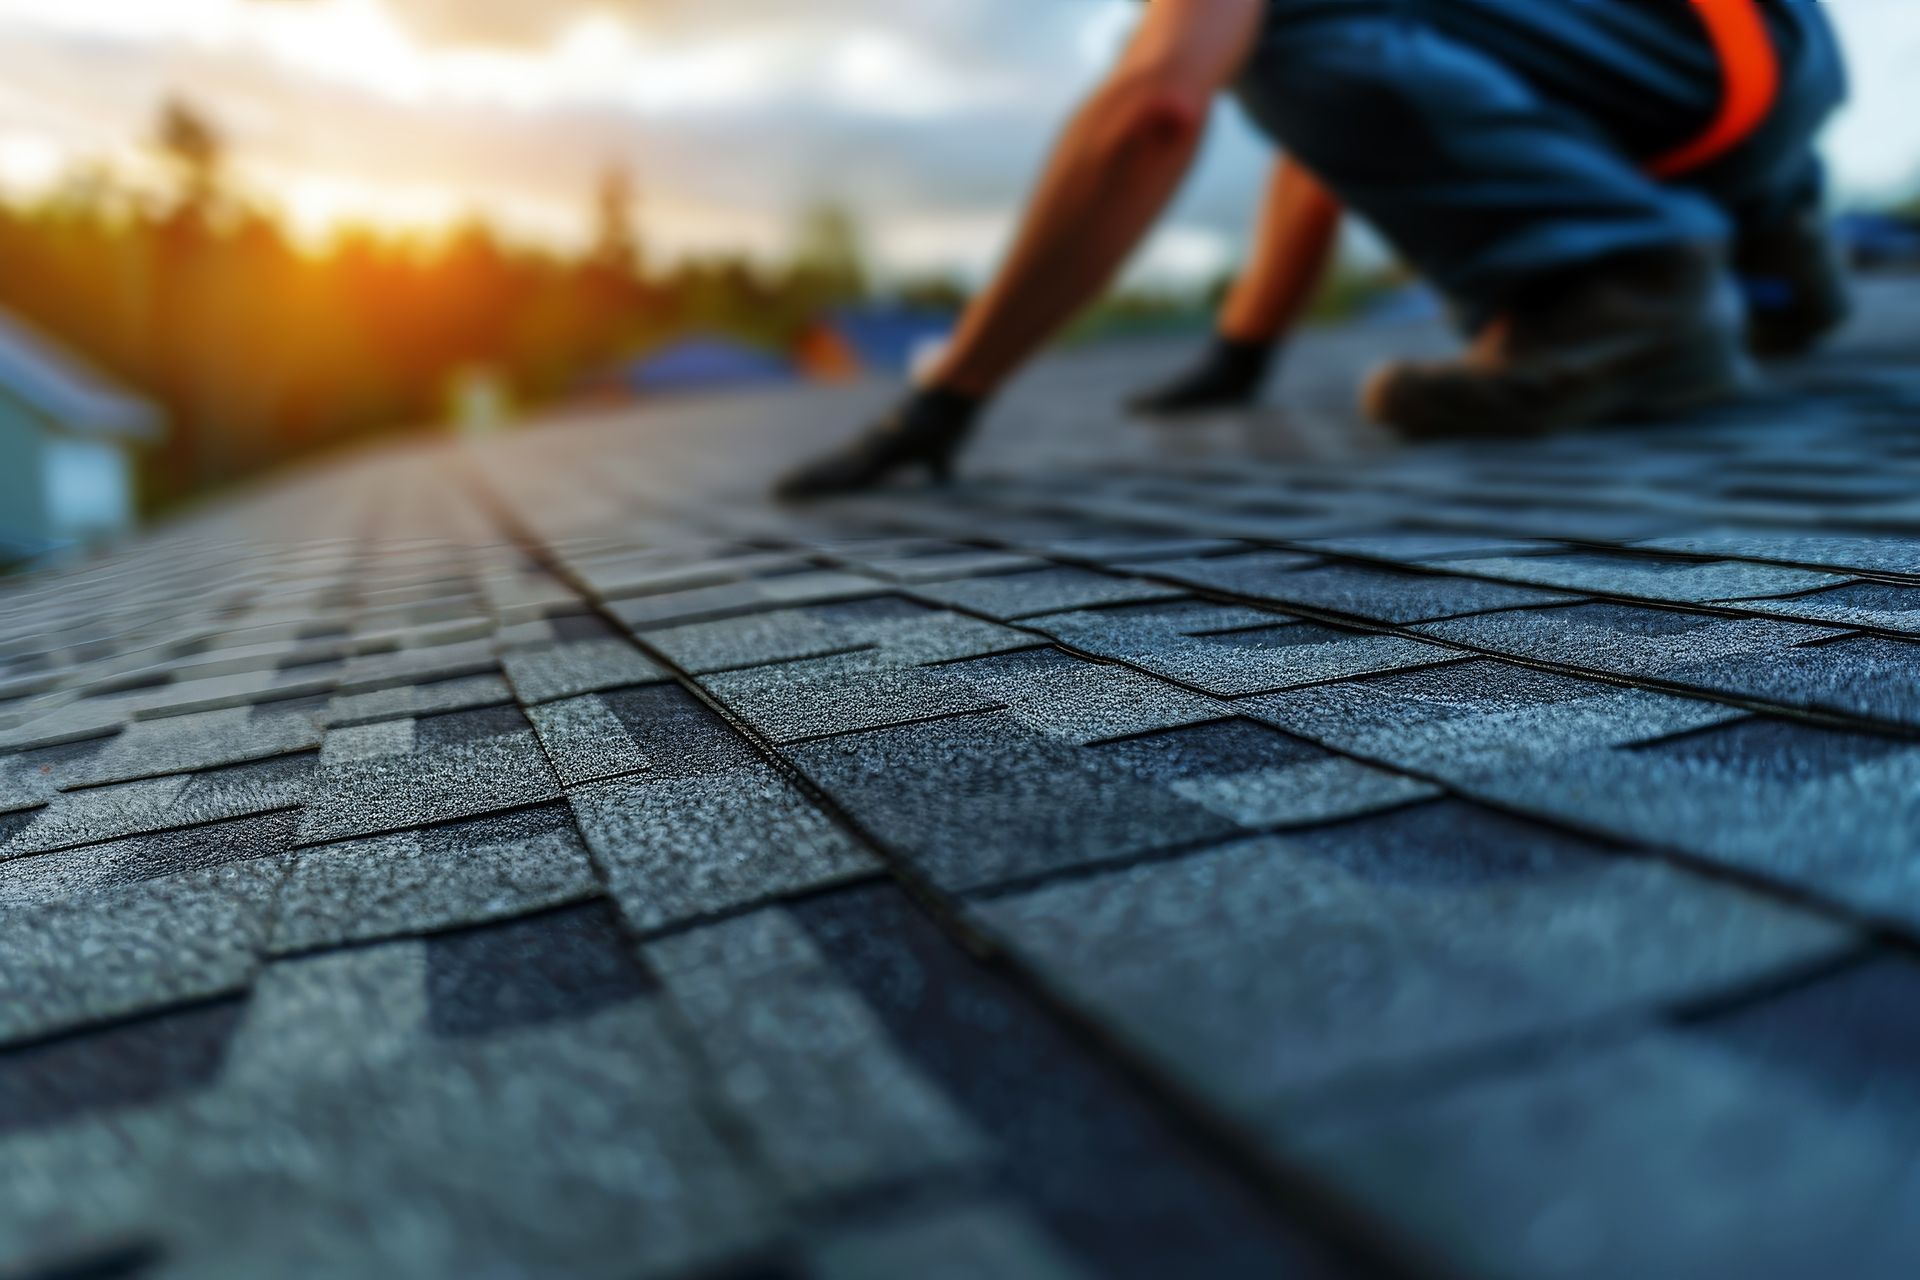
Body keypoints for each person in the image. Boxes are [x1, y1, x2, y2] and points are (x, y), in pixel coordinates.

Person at [776, 0, 1849, 500]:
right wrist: (1240, 355)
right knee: (1345, 37)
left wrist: (944, 397)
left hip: (1679, 67)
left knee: (1276, 38)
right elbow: (1321, 150)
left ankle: (1628, 293)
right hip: (1769, 57)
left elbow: (1153, 112)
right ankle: (1769, 238)